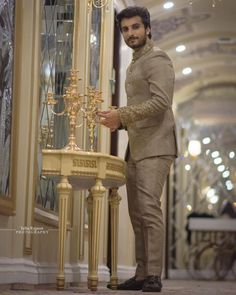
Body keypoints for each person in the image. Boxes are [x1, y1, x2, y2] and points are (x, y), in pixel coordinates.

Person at [98, 6, 177, 293]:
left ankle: (154, 274)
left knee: (148, 208)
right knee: (136, 213)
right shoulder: (134, 63)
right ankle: (142, 272)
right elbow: (139, 109)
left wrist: (123, 115)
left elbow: (161, 103)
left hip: (157, 145)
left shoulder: (157, 59)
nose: (130, 33)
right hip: (136, 146)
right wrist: (116, 120)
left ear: (147, 29)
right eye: (125, 29)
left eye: (135, 27)